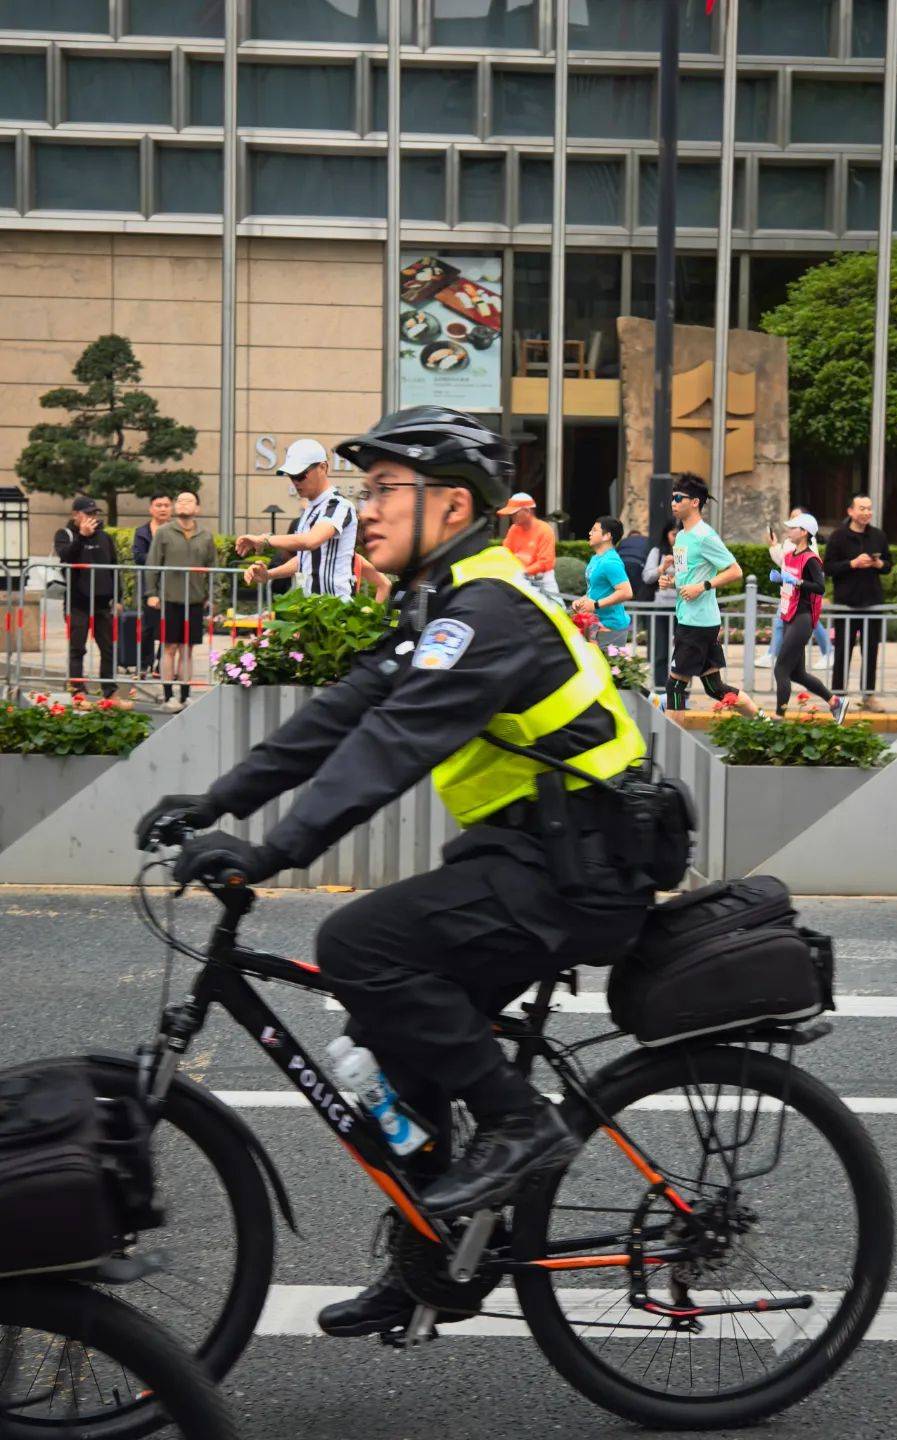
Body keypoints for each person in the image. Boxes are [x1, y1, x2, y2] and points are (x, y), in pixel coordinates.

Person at [136, 406, 656, 1341]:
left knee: (359, 942)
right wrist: (215, 802)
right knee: (387, 1014)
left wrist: (270, 853)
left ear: (452, 506)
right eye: (365, 490)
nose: (364, 509)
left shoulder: (488, 613)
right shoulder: (441, 607)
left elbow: (392, 746)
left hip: (583, 866)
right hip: (536, 853)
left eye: (384, 490)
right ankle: (431, 1255)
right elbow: (341, 713)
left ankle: (517, 1126)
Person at [658, 474, 761, 717]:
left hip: (698, 623)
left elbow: (735, 570)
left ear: (694, 502)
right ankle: (762, 724)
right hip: (691, 619)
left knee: (675, 686)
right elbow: (687, 576)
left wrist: (702, 586)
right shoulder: (682, 536)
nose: (673, 502)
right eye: (672, 497)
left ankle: (671, 751)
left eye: (678, 498)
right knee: (715, 688)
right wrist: (670, 581)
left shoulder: (705, 535)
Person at [236, 439, 358, 600]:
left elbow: (310, 541)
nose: (295, 482)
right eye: (291, 476)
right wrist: (269, 575)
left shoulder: (339, 505)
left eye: (300, 475)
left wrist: (264, 540)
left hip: (336, 609)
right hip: (312, 608)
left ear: (323, 467)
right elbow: (304, 560)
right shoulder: (311, 510)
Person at [53, 497, 130, 707]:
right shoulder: (65, 535)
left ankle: (109, 692)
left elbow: (114, 567)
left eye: (94, 514)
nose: (92, 518)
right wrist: (81, 537)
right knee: (77, 648)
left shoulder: (105, 537)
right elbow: (66, 557)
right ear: (76, 515)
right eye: (88, 514)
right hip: (78, 602)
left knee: (107, 648)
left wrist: (118, 596)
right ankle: (77, 691)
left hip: (103, 603)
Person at [145, 492, 217, 713]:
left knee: (187, 649)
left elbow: (213, 569)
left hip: (194, 600)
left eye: (190, 501)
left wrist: (212, 597)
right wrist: (152, 593)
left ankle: (185, 696)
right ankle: (168, 696)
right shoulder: (165, 532)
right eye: (180, 500)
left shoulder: (205, 535)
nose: (184, 503)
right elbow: (153, 563)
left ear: (198, 508)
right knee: (169, 648)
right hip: (169, 599)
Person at [772, 515, 848, 724]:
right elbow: (790, 582)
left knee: (781, 670)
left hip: (802, 619)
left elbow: (820, 587)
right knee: (797, 674)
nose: (788, 530)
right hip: (789, 616)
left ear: (804, 532)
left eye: (793, 528)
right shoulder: (790, 555)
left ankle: (779, 717)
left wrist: (797, 581)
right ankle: (835, 702)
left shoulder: (811, 558)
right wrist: (780, 579)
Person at [823, 492, 893, 712]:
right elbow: (828, 568)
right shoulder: (838, 536)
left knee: (871, 650)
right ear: (851, 511)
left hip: (872, 602)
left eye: (869, 508)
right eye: (861, 508)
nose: (866, 512)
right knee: (844, 650)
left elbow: (890, 565)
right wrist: (852, 563)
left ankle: (868, 695)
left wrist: (878, 564)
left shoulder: (878, 536)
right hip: (846, 604)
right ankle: (838, 697)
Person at [757, 506, 830, 670]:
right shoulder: (790, 543)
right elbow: (784, 562)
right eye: (791, 521)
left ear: (805, 530)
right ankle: (776, 656)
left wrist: (795, 580)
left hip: (800, 596)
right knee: (784, 622)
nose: (790, 527)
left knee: (803, 621)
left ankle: (775, 655)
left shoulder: (807, 546)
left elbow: (809, 569)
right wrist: (774, 546)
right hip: (789, 593)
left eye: (795, 523)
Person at [131, 492, 173, 685]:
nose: (163, 508)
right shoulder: (142, 532)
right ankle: (143, 665)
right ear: (151, 509)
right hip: (149, 586)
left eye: (166, 505)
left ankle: (160, 666)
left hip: (173, 587)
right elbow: (139, 557)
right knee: (148, 628)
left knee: (168, 628)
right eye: (158, 505)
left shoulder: (177, 531)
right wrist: (160, 559)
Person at [572, 516, 633, 648]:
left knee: (608, 668)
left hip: (611, 627)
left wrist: (595, 605)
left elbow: (626, 592)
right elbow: (596, 590)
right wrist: (582, 601)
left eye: (594, 530)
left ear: (607, 536)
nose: (590, 533)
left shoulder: (611, 561)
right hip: (596, 626)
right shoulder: (596, 558)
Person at [498, 491, 560, 602]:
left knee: (557, 609)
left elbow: (545, 562)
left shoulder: (545, 530)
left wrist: (523, 573)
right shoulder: (513, 529)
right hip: (519, 579)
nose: (512, 516)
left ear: (527, 511)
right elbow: (505, 554)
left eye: (515, 513)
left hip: (543, 580)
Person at [642, 521, 678, 691]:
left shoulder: (687, 553)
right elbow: (647, 577)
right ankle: (659, 689)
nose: (676, 538)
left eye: (680, 534)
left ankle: (680, 692)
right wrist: (662, 567)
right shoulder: (657, 553)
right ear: (666, 535)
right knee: (660, 652)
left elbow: (692, 579)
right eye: (673, 534)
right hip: (660, 607)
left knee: (682, 654)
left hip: (682, 607)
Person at [617, 528, 652, 602]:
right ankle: (638, 609)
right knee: (639, 593)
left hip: (621, 566)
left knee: (622, 591)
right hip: (638, 565)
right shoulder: (647, 540)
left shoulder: (623, 541)